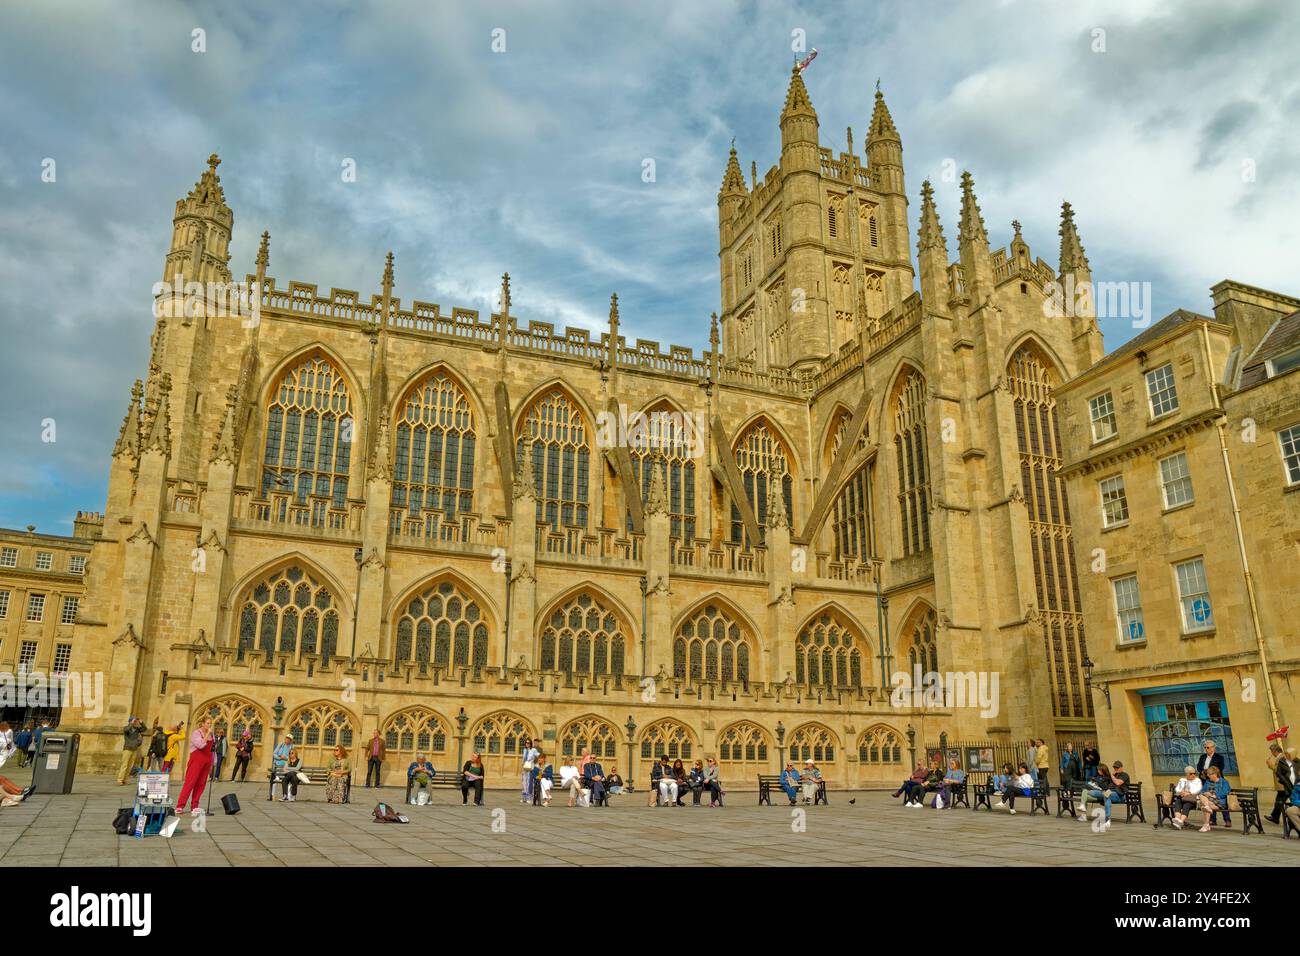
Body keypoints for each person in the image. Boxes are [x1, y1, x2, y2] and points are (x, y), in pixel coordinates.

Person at [174, 716, 215, 814]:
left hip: (207, 761)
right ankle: (180, 806)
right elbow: (200, 745)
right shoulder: (196, 733)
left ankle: (195, 806)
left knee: (201, 784)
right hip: (196, 760)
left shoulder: (212, 735)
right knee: (190, 782)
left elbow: (213, 749)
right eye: (208, 723)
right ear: (203, 723)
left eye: (210, 723)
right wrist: (207, 734)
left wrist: (214, 762)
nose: (209, 725)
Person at [1079, 762, 1124, 827]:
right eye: (1114, 767)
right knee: (1085, 792)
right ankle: (1083, 814)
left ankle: (1107, 819)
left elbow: (1113, 785)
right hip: (1103, 792)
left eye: (1117, 767)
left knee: (1105, 795)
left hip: (1109, 793)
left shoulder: (1119, 776)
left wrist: (1099, 782)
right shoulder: (1101, 776)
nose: (1115, 769)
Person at [1195, 740, 1228, 826]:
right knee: (1207, 797)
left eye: (1208, 747)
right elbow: (1198, 766)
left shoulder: (1219, 757)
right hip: (1204, 779)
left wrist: (1208, 772)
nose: (1206, 749)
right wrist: (1202, 771)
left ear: (1213, 748)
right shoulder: (1202, 757)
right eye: (1205, 747)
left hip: (1216, 779)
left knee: (1220, 799)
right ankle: (1213, 820)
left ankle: (1227, 820)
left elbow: (1220, 768)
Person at [1196, 765, 1231, 833]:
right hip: (1209, 802)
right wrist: (1206, 793)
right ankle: (1206, 823)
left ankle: (1206, 825)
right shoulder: (1208, 782)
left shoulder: (1224, 782)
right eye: (1208, 774)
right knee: (1201, 795)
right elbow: (1201, 791)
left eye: (1209, 774)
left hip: (1220, 802)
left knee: (1203, 805)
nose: (1208, 776)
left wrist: (1213, 795)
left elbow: (1226, 792)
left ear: (1214, 774)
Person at [1265, 743, 1292, 824]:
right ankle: (1275, 817)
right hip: (1282, 785)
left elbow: (1279, 770)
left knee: (1279, 801)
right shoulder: (1280, 757)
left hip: (1283, 784)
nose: (1271, 753)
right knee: (1279, 801)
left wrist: (1270, 765)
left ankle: (1275, 817)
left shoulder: (1282, 757)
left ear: (1274, 751)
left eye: (1271, 751)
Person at [1170, 765, 1203, 829]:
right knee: (1177, 802)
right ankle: (1177, 819)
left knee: (1186, 805)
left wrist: (1189, 793)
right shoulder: (1182, 780)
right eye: (1191, 774)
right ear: (1187, 774)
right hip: (1182, 797)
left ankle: (1180, 822)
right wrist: (1181, 792)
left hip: (1192, 799)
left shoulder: (1197, 780)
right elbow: (1177, 789)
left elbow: (1198, 789)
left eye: (1194, 773)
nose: (1193, 775)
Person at [115, 716, 145, 786]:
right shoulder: (126, 728)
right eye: (134, 721)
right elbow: (127, 730)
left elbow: (144, 729)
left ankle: (126, 779)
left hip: (134, 749)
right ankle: (120, 779)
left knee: (130, 766)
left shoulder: (137, 729)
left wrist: (142, 723)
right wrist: (131, 723)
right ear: (130, 721)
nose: (135, 722)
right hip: (127, 748)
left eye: (135, 721)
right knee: (124, 765)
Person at [520, 736, 539, 805]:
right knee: (524, 782)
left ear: (530, 743)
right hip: (525, 767)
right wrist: (522, 764)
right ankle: (524, 797)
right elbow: (523, 758)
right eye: (526, 743)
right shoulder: (524, 750)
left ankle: (529, 798)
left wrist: (534, 762)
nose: (527, 744)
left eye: (528, 743)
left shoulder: (533, 750)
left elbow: (539, 756)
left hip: (530, 767)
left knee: (529, 782)